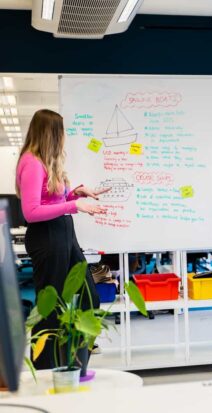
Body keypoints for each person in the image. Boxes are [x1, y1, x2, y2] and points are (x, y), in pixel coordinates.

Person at [16, 109, 109, 369]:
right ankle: (46, 369)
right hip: (47, 237)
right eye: (62, 131)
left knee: (90, 296)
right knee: (51, 307)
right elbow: (31, 212)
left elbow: (54, 200)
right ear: (51, 134)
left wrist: (76, 195)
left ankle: (75, 362)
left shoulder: (47, 161)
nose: (65, 136)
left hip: (64, 234)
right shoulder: (32, 163)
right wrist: (74, 206)